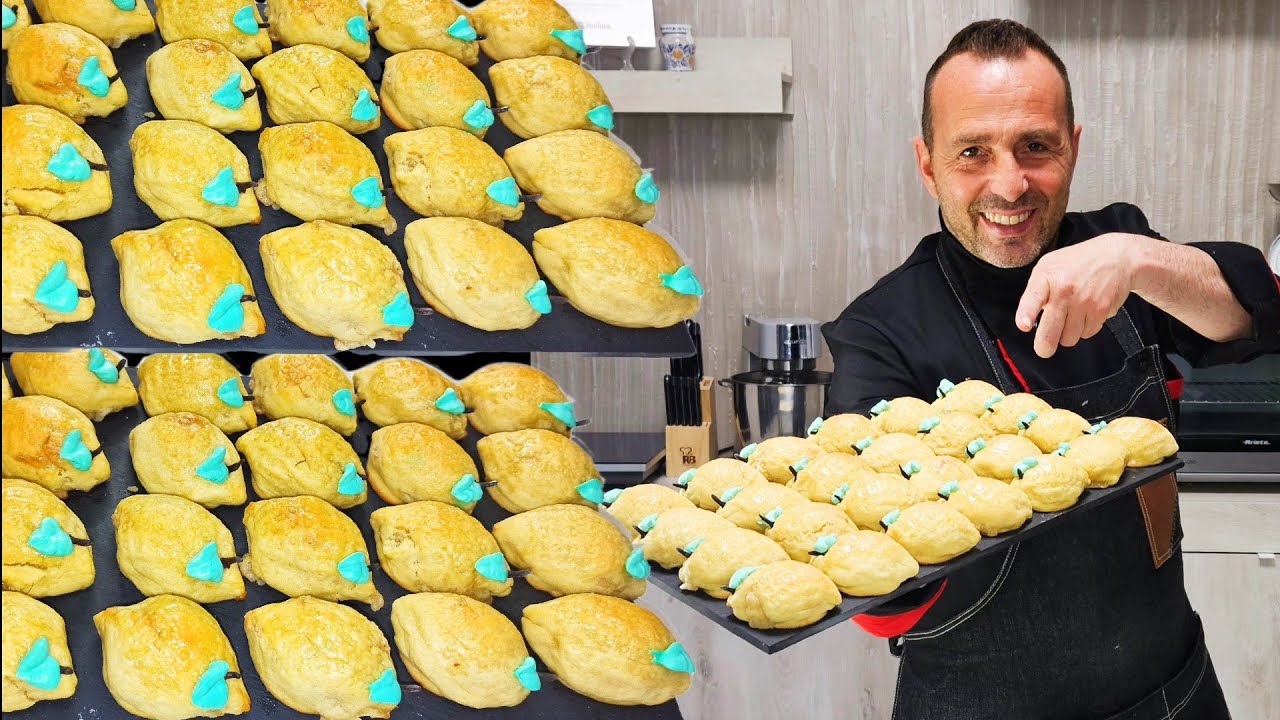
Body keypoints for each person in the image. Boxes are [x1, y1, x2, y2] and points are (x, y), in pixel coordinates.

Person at [822, 19, 1280, 720]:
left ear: (1074, 148)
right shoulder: (883, 332)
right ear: (927, 164)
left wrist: (1138, 260)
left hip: (1171, 695)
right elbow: (878, 595)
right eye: (973, 152)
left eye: (1036, 147)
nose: (1009, 184)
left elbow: (1255, 317)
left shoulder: (1120, 253)